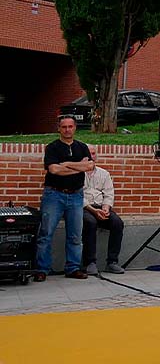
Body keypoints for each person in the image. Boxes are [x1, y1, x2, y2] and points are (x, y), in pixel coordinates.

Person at [34, 115, 92, 282]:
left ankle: (73, 268)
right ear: (59, 128)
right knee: (46, 233)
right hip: (54, 195)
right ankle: (42, 269)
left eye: (70, 126)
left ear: (75, 128)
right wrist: (78, 166)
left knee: (75, 235)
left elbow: (89, 166)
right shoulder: (52, 148)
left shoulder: (82, 147)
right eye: (64, 127)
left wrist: (65, 164)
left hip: (76, 195)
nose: (67, 130)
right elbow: (54, 170)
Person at [81, 146, 124, 275]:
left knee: (117, 223)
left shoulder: (104, 173)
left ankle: (112, 262)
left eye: (93, 154)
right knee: (90, 222)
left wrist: (105, 208)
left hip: (100, 207)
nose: (90, 156)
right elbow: (77, 196)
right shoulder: (76, 173)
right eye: (88, 154)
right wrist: (94, 211)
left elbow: (109, 193)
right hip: (84, 208)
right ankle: (90, 263)